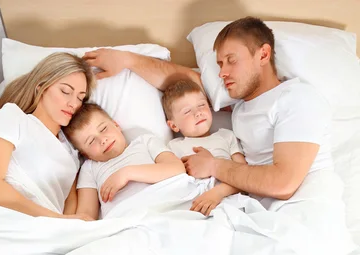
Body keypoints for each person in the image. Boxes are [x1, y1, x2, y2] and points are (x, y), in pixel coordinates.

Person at [84, 17, 333, 202]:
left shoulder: (296, 97)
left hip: (301, 213)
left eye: (231, 61)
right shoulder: (240, 109)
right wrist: (127, 61)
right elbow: (182, 86)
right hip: (258, 215)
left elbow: (284, 183)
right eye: (220, 64)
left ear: (263, 54)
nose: (222, 73)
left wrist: (214, 167)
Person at [0, 52, 95, 220]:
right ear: (41, 86)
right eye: (65, 91)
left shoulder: (71, 153)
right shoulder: (12, 118)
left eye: (80, 98)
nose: (74, 104)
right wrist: (56, 220)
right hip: (6, 222)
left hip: (52, 234)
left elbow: (70, 212)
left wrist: (64, 227)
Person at [63, 103, 185, 219]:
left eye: (103, 129)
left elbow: (176, 169)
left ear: (116, 125)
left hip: (165, 204)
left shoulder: (145, 142)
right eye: (91, 141)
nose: (102, 140)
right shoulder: (89, 168)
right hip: (125, 221)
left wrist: (127, 173)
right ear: (86, 155)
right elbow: (87, 214)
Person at [162, 78, 246, 215]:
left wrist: (217, 194)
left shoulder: (226, 136)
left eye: (201, 105)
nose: (198, 113)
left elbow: (244, 174)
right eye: (187, 111)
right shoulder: (173, 147)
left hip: (227, 199)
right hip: (191, 205)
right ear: (173, 125)